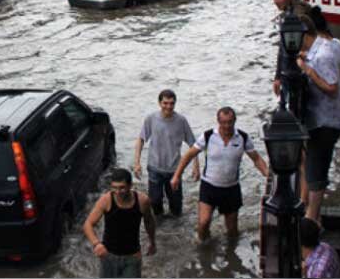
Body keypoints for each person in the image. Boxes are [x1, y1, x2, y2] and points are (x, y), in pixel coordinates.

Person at [170, 107, 269, 242]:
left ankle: (231, 254)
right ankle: (203, 250)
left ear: (235, 120)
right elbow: (188, 156)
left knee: (232, 230)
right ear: (218, 121)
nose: (227, 126)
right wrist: (176, 176)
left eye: (230, 122)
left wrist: (268, 175)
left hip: (231, 188)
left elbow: (256, 159)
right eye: (224, 122)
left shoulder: (243, 138)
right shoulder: (208, 136)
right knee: (204, 223)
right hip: (209, 186)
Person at [296, 14, 340, 222]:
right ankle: (314, 216)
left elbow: (332, 87)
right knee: (315, 167)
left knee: (316, 171)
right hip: (321, 120)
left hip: (325, 121)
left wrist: (308, 70)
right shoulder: (321, 48)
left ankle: (312, 219)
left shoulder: (322, 55)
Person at [133, 89, 200, 217]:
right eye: (165, 103)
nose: (168, 106)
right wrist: (137, 163)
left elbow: (193, 145)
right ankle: (159, 228)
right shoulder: (151, 119)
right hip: (154, 168)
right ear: (159, 103)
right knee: (155, 203)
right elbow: (141, 140)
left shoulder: (181, 121)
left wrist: (196, 166)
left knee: (176, 207)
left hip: (175, 170)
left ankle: (176, 230)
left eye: (171, 103)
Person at [83, 168, 156, 278]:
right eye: (114, 188)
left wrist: (152, 242)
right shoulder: (106, 200)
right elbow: (88, 224)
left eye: (122, 188)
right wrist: (96, 244)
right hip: (108, 255)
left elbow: (149, 222)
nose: (117, 192)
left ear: (130, 185)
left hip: (132, 256)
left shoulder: (142, 201)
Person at [270, 0, 311, 96]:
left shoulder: (298, 16)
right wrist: (277, 77)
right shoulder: (286, 15)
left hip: (298, 75)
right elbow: (282, 49)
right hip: (287, 73)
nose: (275, 2)